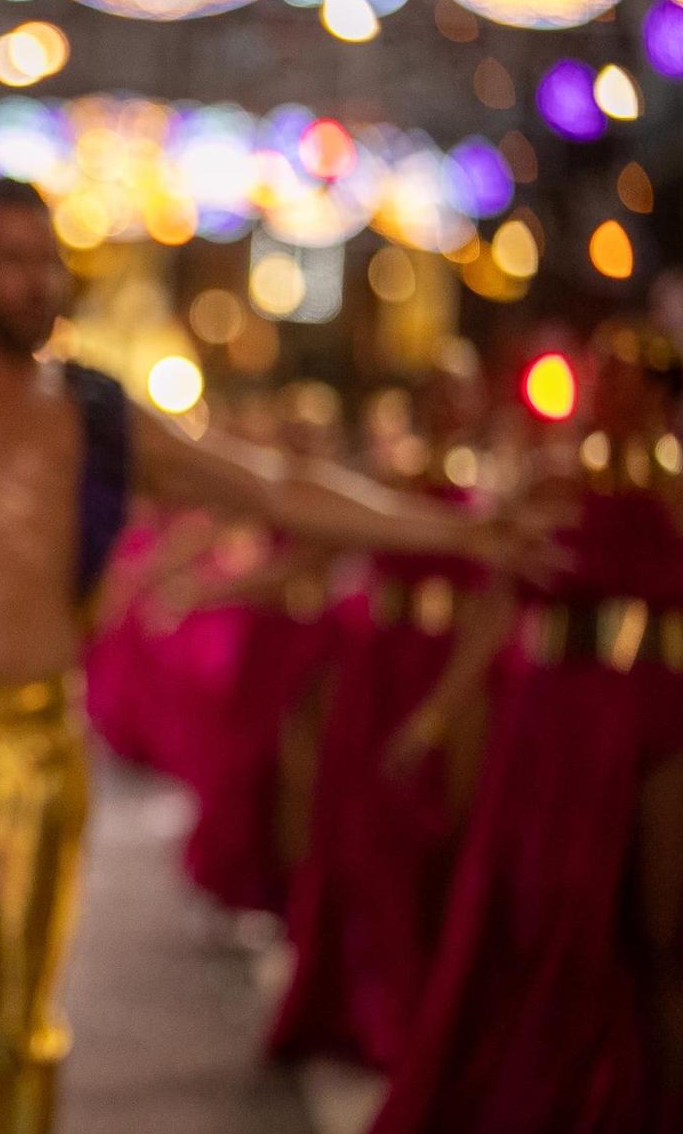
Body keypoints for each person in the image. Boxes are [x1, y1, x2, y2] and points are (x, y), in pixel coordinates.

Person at [0, 178, 542, 1134]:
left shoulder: (97, 416)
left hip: (34, 744)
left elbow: (275, 488)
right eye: (11, 259)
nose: (36, 280)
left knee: (13, 1021)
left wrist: (457, 534)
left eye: (47, 257)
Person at [371, 321, 683, 1133]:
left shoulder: (677, 492)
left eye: (636, 377)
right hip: (562, 725)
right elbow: (496, 606)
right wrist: (438, 712)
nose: (619, 390)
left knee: (663, 922)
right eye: (606, 373)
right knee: (552, 915)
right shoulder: (552, 484)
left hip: (658, 717)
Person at [270, 352, 496, 1070]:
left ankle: (424, 1019)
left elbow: (495, 603)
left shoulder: (490, 491)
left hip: (444, 671)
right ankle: (368, 1012)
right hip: (379, 668)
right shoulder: (391, 481)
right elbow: (323, 553)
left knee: (437, 841)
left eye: (457, 391)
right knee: (363, 837)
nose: (444, 404)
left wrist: (442, 709)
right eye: (434, 389)